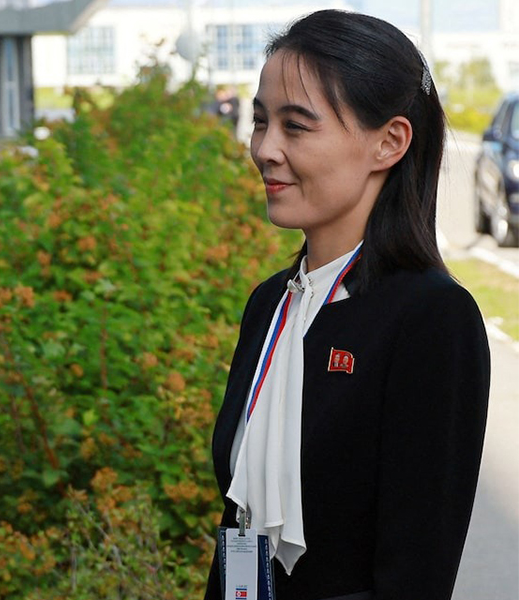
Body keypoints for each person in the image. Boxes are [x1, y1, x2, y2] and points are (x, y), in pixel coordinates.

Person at [204, 10, 490, 600]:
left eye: (297, 126)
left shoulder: (431, 319)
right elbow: (240, 534)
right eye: (260, 122)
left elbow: (417, 570)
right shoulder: (269, 306)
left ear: (389, 141)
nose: (265, 150)